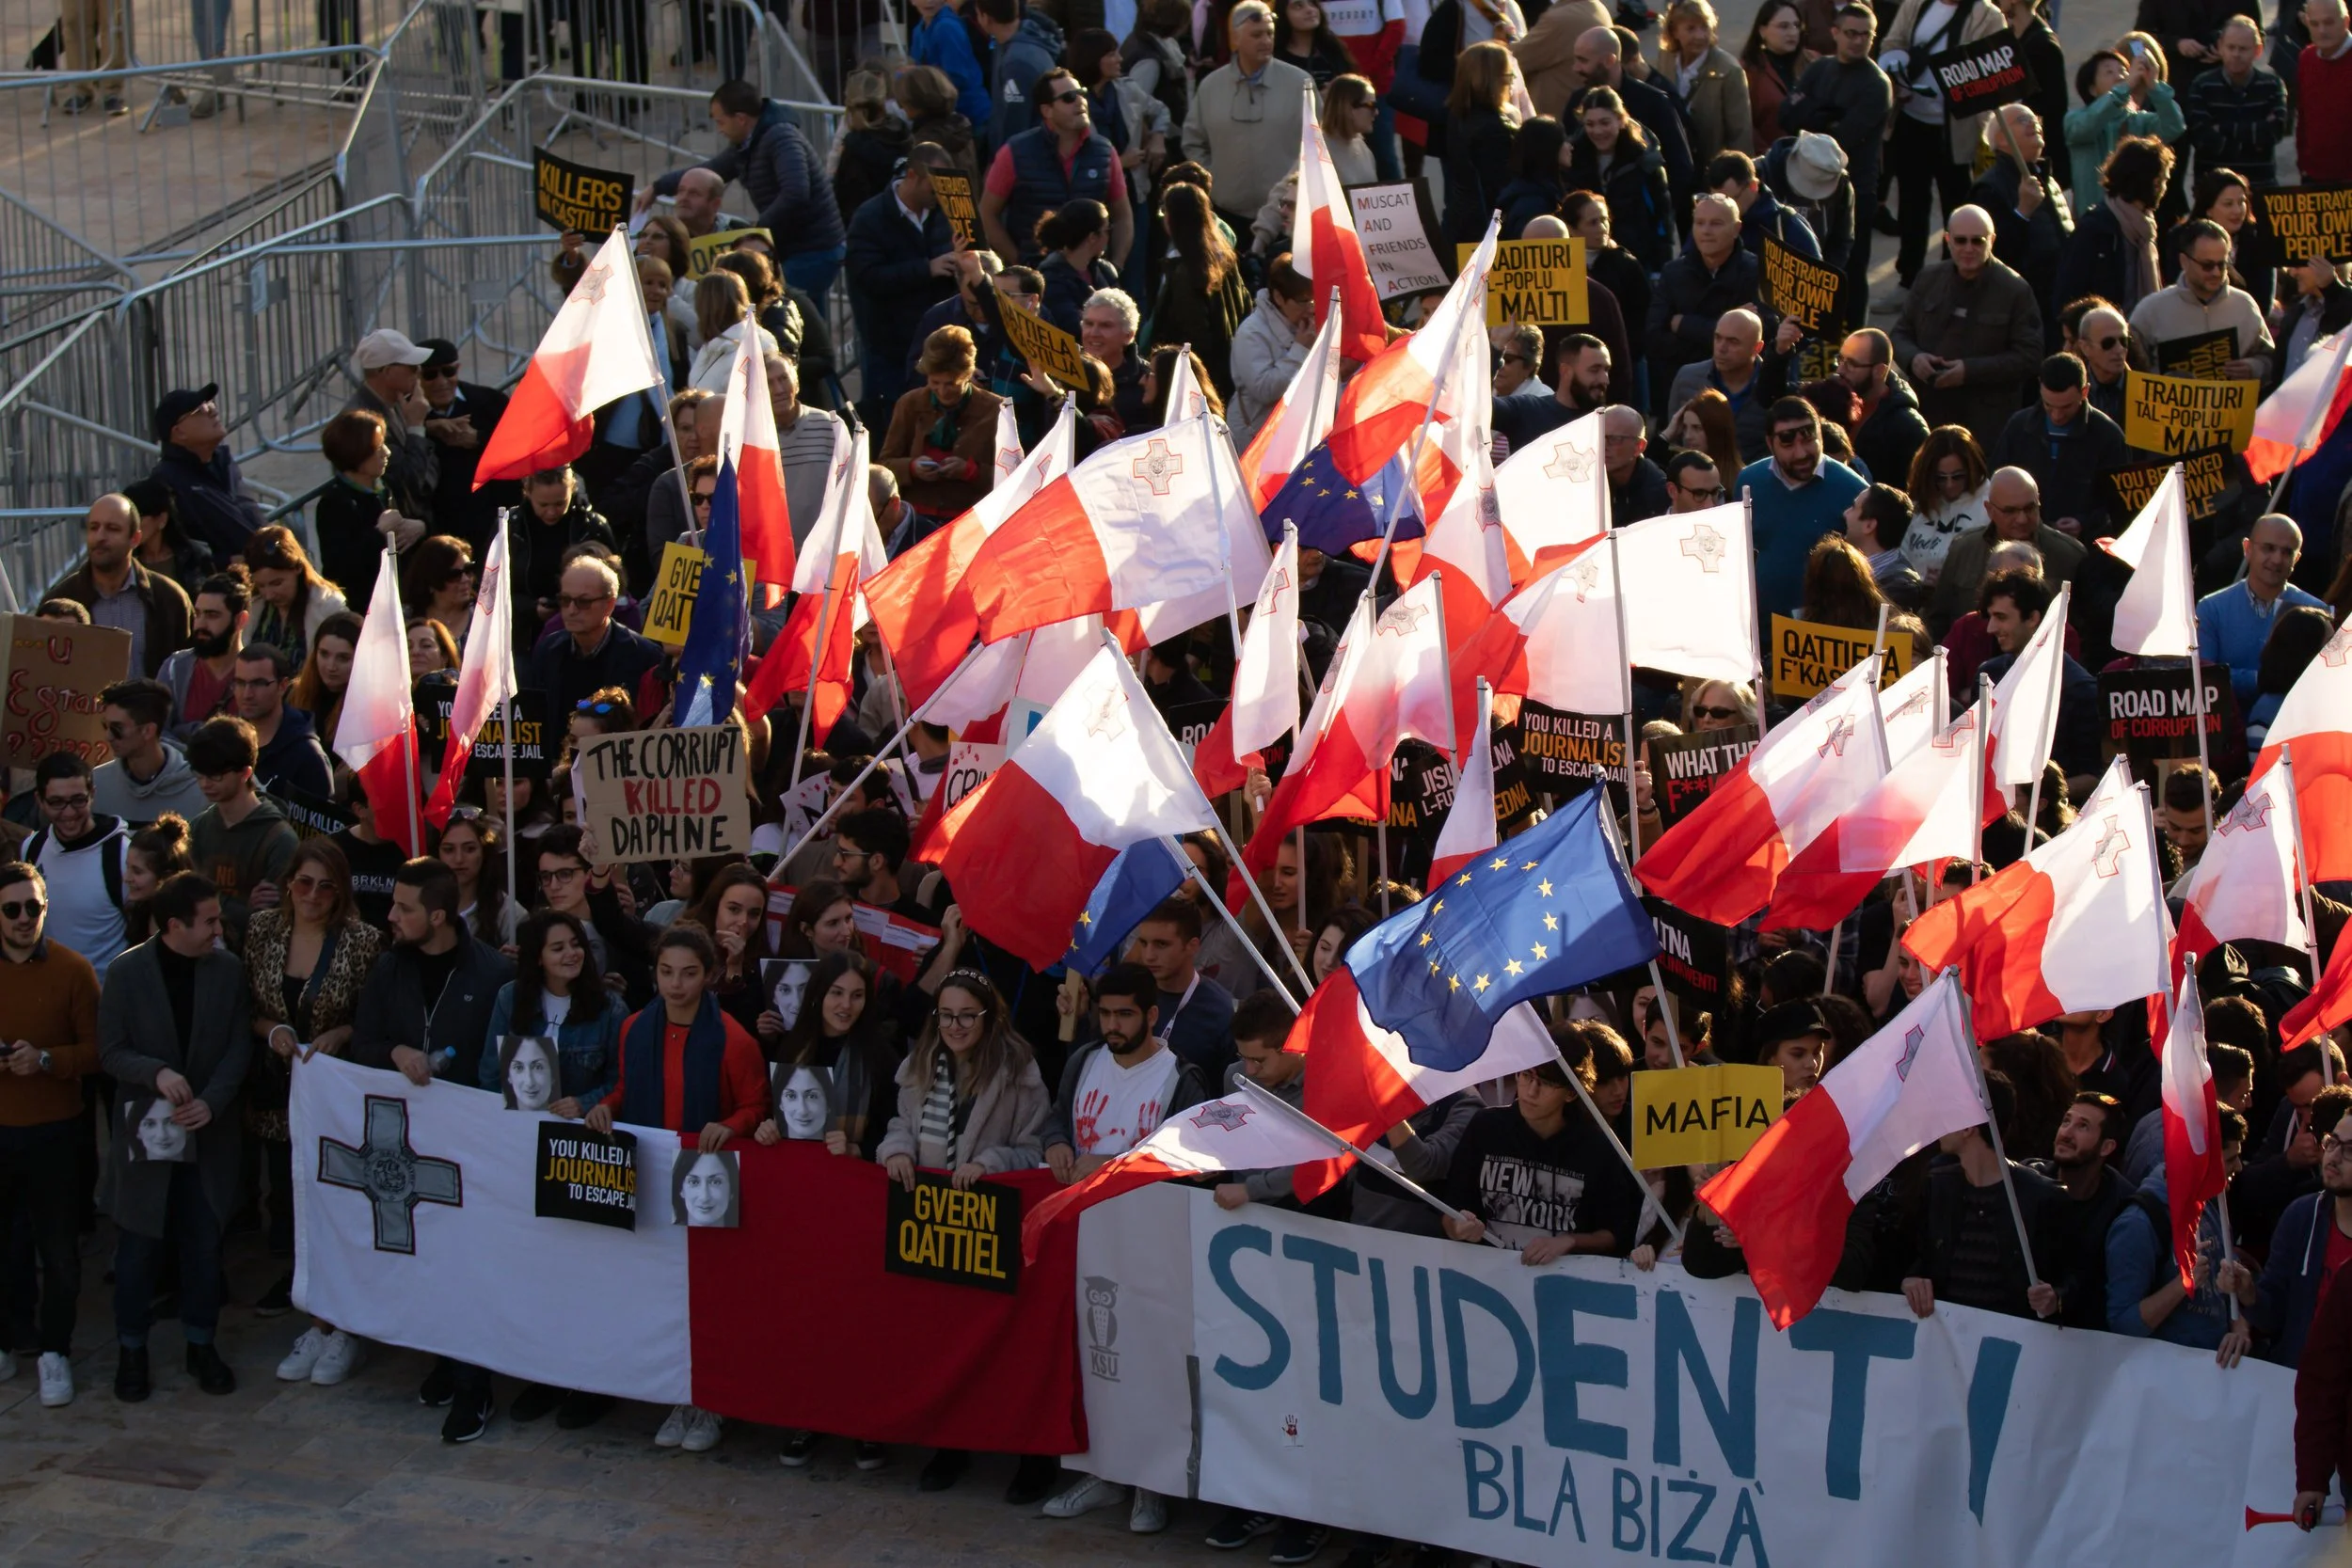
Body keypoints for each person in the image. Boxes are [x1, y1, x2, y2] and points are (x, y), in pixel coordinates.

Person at [589, 925, 771, 1452]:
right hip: (650, 1174)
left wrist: (733, 1125)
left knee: (711, 1299)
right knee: (666, 1296)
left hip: (706, 1180)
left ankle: (712, 1403)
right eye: (666, 972)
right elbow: (626, 1087)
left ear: (710, 976)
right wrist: (608, 1107)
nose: (676, 984)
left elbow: (757, 1104)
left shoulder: (734, 1040)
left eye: (689, 973)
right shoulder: (636, 1029)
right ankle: (679, 1396)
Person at [877, 968, 1052, 1497]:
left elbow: (1037, 1148)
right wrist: (898, 1152)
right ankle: (951, 1446)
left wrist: (993, 1161)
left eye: (966, 1016)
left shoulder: (1021, 1071)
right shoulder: (919, 1065)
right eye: (946, 1015)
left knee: (1009, 1348)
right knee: (945, 1342)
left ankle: (1029, 1457)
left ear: (988, 1016)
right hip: (935, 1225)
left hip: (996, 1226)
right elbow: (898, 1126)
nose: (955, 1026)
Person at [100, 871, 250, 1402]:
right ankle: (132, 1350)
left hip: (207, 1136)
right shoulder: (126, 973)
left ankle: (200, 1344)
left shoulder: (227, 971)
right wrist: (154, 1072)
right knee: (139, 1249)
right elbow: (110, 1050)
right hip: (148, 1139)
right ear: (172, 926)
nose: (219, 929)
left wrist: (212, 1100)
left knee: (203, 1247)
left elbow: (238, 1048)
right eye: (208, 921)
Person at [243, 838, 380, 1364]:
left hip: (334, 1096)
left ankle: (337, 1316)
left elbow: (370, 1018)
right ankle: (306, 1292)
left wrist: (341, 1033)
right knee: (287, 1197)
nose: (313, 895)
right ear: (288, 885)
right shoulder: (260, 932)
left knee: (337, 1201)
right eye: (304, 882)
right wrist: (272, 1028)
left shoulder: (364, 941)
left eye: (326, 886)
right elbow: (248, 1008)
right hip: (277, 1091)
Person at [0, 863, 100, 1409]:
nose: (21, 919)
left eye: (31, 908)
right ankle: (9, 1337)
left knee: (59, 1250)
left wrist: (44, 1060)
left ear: (45, 909)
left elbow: (95, 1052)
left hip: (56, 1133)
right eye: (11, 909)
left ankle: (53, 1351)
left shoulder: (73, 970)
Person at [646, 83, 846, 296]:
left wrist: (758, 230)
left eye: (721, 122)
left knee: (795, 310)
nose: (719, 130)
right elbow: (709, 171)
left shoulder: (781, 139)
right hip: (799, 245)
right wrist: (658, 187)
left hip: (812, 248)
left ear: (741, 119)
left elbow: (796, 192)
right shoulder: (747, 145)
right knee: (807, 316)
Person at [1441, 1053, 1644, 1259]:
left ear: (1571, 1092)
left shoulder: (1597, 1146)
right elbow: (1451, 1209)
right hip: (1486, 1277)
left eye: (1546, 1083)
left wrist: (1570, 1242)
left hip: (1565, 1282)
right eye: (1526, 1076)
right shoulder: (1486, 1127)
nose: (1531, 1091)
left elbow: (1615, 1233)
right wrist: (1458, 1228)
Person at [1900, 1071, 2064, 1322]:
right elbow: (1915, 1257)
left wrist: (2056, 1300)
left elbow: (2075, 1279)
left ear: (1968, 1127)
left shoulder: (2041, 1197)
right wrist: (1909, 1280)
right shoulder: (1937, 1187)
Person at [1876, 0, 2003, 287]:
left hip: (1957, 132)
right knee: (1911, 206)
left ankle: (1955, 283)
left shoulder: (1987, 16)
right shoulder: (1917, 4)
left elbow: (1991, 73)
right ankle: (1909, 281)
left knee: (1956, 209)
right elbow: (1892, 42)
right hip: (1911, 121)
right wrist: (1898, 76)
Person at [1890, 204, 2042, 439]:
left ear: (1992, 240)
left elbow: (2030, 357)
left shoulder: (2015, 290)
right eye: (1961, 241)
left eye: (1977, 241)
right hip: (1929, 414)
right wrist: (1914, 359)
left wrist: (1969, 371)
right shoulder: (1928, 279)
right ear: (1948, 240)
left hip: (1987, 423)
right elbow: (1900, 334)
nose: (1968, 249)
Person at [2109, 1108, 2253, 1354]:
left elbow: (2234, 1298)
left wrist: (2239, 1328)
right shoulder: (2138, 1224)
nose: (2239, 1167)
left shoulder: (2211, 1203)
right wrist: (2182, 1285)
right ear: (2201, 1157)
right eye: (2230, 1159)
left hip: (2214, 1374)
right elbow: (2123, 1324)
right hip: (2168, 1380)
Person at [844, 145, 961, 427]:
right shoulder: (870, 217)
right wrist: (926, 269)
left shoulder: (943, 213)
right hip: (889, 345)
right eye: (934, 190)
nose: (938, 198)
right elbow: (868, 277)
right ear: (912, 176)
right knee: (890, 421)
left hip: (937, 341)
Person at [1182, 2, 1315, 233]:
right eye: (1256, 35)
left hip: (1288, 216)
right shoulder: (1211, 86)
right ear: (1235, 39)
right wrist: (1217, 182)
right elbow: (1193, 142)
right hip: (1227, 216)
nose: (1265, 40)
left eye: (1269, 34)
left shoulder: (1300, 83)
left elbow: (1320, 145)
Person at [982, 68, 1133, 269]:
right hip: (1036, 277)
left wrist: (1115, 265)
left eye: (1082, 93)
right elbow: (986, 214)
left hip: (1089, 278)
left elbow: (1123, 216)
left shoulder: (1104, 151)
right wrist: (1020, 261)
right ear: (1047, 110)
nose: (1080, 101)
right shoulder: (1015, 151)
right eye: (1069, 97)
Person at [1740, 397, 1868, 620]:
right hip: (1760, 628)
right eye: (1788, 443)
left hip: (1824, 633)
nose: (1801, 453)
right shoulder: (1749, 483)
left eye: (1809, 439)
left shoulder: (1854, 491)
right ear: (1770, 444)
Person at [49, 492, 196, 684]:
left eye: (112, 529)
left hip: (154, 712)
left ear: (135, 538)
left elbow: (190, 670)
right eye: (94, 528)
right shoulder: (62, 600)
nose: (100, 537)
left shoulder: (169, 598)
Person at [182, 716, 297, 948]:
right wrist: (243, 907)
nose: (205, 784)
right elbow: (183, 901)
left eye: (216, 775)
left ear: (245, 773)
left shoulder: (280, 840)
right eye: (200, 775)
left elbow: (277, 922)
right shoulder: (199, 827)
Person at [1986, 354, 2129, 540]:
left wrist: (2084, 522)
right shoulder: (2019, 426)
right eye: (2049, 405)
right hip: (2021, 540)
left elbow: (2119, 501)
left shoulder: (2108, 435)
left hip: (2085, 546)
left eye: (2066, 407)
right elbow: (1995, 479)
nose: (2056, 416)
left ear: (2084, 392)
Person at [1650, 198, 1766, 429]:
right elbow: (1655, 337)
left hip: (1744, 395)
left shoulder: (1758, 272)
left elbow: (1767, 329)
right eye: (1700, 223)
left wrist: (1685, 325)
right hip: (1685, 389)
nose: (1706, 231)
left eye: (1716, 224)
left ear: (1737, 229)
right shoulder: (1673, 273)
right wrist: (1731, 325)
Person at [1929, 467, 2088, 634]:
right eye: (2010, 511)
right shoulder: (1963, 550)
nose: (2022, 519)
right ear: (1990, 510)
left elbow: (2085, 630)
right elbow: (1938, 619)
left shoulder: (2070, 556)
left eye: (2030, 508)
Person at [881, 325, 1008, 531]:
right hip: (916, 518)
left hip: (970, 520)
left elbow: (1010, 476)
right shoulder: (910, 404)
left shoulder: (995, 409)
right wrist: (912, 468)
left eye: (951, 384)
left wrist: (970, 471)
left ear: (967, 376)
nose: (942, 391)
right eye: (935, 382)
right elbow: (885, 465)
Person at [2195, 515, 2329, 706]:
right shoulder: (2211, 608)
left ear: (2297, 558)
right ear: (2248, 549)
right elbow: (2204, 679)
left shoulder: (2315, 612)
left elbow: (2322, 682)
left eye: (2287, 552)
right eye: (2268, 548)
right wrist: (2260, 680)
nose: (2276, 559)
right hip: (2228, 731)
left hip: (2288, 729)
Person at [2032, 1091, 2137, 1330]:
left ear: (2106, 1147)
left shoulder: (2124, 1206)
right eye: (2066, 1121)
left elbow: (2108, 1285)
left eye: (2083, 1126)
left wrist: (2060, 1299)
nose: (2066, 1133)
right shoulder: (2029, 1181)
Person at [2133, 214, 2276, 383]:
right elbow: (2131, 367)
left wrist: (2254, 367)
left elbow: (2270, 359)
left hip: (2233, 407)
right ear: (2184, 261)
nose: (2216, 272)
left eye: (2222, 265)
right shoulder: (2151, 310)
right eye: (2207, 265)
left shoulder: (2244, 305)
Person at [1967, 104, 2065, 345]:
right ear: (2000, 138)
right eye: (2023, 120)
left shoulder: (2044, 177)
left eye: (2035, 119)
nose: (2034, 124)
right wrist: (2022, 212)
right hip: (2024, 307)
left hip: (2057, 299)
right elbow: (1990, 256)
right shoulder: (1989, 188)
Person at [525, 557, 664, 721]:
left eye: (583, 602)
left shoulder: (644, 656)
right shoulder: (547, 651)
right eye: (565, 600)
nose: (571, 610)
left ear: (609, 605)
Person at [2054, 135, 2177, 315]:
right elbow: (2069, 291)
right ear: (2146, 180)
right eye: (2161, 180)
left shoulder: (2146, 227)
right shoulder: (2096, 228)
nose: (2163, 188)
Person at [1150, 182, 1251, 401]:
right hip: (1227, 372)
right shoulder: (1225, 259)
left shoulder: (1186, 273)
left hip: (1194, 382)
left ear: (1172, 218)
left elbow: (1194, 338)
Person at [1565, 87, 1677, 272]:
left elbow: (1662, 221)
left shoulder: (1645, 162)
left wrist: (1660, 268)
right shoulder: (1573, 160)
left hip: (1636, 262)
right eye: (1590, 124)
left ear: (1620, 119)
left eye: (1605, 123)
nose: (1598, 131)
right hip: (1586, 263)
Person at [312, 409, 411, 615]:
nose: (387, 452)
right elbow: (339, 568)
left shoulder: (387, 489)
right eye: (378, 448)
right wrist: (379, 533)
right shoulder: (335, 503)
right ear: (356, 453)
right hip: (365, 612)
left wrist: (419, 527)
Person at [147, 386, 264, 557]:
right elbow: (176, 550)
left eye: (210, 404)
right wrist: (224, 563)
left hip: (265, 567)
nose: (212, 412)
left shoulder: (224, 462)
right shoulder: (166, 481)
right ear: (179, 432)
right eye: (200, 410)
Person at [344, 328, 438, 529]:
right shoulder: (362, 422)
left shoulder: (397, 403)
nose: (419, 372)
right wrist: (416, 426)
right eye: (412, 367)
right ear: (386, 371)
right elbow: (409, 481)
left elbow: (427, 476)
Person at [225, 643, 332, 803]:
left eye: (259, 683)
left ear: (282, 686)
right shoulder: (228, 741)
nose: (247, 694)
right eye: (240, 683)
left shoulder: (307, 756)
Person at [95, 678, 210, 826]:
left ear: (148, 731)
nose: (108, 736)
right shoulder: (97, 785)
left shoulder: (200, 790)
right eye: (106, 726)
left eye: (117, 728)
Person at [1230, 254, 1315, 444]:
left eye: (1314, 300)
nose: (1311, 308)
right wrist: (1300, 349)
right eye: (1304, 301)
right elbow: (1263, 389)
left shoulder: (1309, 325)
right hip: (1257, 437)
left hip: (1295, 435)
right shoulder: (1251, 332)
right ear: (1278, 297)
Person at [1836, 329, 1929, 497]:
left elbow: (1917, 495)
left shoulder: (1908, 427)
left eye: (1851, 364)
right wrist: (1781, 353)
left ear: (1879, 370)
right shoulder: (1830, 399)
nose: (1840, 370)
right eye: (1840, 359)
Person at [241, 526, 350, 670]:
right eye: (261, 585)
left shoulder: (328, 607)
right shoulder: (254, 605)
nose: (268, 594)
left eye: (277, 583)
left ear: (298, 568)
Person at [974, 0, 1068, 153]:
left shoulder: (1018, 62)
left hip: (1030, 162)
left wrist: (1000, 165)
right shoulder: (1007, 44)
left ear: (985, 18)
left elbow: (1016, 125)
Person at [1843, 483, 1925, 607]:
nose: (1845, 513)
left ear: (1869, 526)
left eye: (1853, 507)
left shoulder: (1900, 588)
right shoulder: (1843, 566)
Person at [288, 610, 359, 753]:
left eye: (343, 658)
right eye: (324, 654)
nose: (331, 666)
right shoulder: (292, 694)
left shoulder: (369, 708)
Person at [2297, 0, 2352, 183]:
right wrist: (2304, 166)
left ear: (2345, 22)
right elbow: (2304, 116)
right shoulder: (2307, 59)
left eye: (2328, 22)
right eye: (2315, 23)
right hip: (2314, 177)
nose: (2321, 30)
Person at [1603, 404, 1670, 522]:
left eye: (1614, 439)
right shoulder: (1586, 480)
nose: (1603, 446)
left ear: (1639, 446)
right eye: (1599, 437)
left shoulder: (1659, 493)